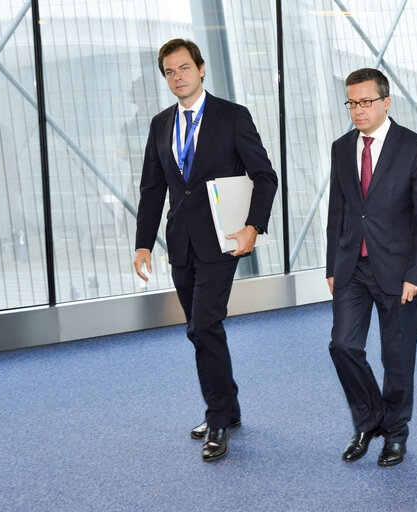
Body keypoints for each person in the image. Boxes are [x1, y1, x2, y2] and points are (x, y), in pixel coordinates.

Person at [133, 39, 277, 462]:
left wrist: (255, 226)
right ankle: (228, 408)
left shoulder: (232, 116)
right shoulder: (161, 124)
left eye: (184, 68)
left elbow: (264, 175)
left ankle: (217, 419)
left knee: (204, 325)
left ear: (200, 69)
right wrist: (143, 243)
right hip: (181, 242)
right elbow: (152, 187)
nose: (177, 77)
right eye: (170, 72)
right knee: (200, 328)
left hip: (223, 241)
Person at [326, 68, 417, 467]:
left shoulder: (415, 147)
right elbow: (336, 210)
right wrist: (331, 265)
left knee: (397, 356)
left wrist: (416, 275)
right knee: (343, 345)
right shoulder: (341, 148)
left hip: (399, 270)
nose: (358, 110)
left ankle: (396, 433)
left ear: (386, 101)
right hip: (352, 265)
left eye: (366, 102)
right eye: (352, 103)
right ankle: (370, 418)